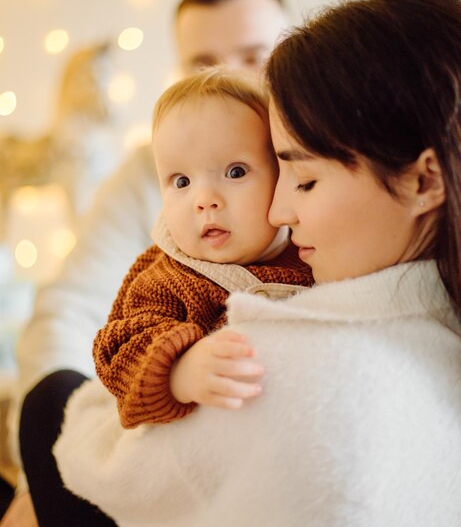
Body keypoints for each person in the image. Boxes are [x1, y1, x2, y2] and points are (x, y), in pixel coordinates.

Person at [54, 0, 461, 526]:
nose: (279, 210)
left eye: (304, 178)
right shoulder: (168, 258)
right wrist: (172, 370)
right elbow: (94, 321)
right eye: (177, 182)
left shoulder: (315, 352)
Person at [2, 0, 288, 527]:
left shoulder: (321, 158)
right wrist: (40, 476)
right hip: (166, 420)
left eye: (254, 56)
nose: (228, 77)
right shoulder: (148, 174)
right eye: (203, 64)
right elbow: (75, 307)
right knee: (49, 405)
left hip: (270, 435)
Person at [93, 68, 312, 429]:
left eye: (236, 172)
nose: (205, 200)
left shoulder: (311, 247)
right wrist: (179, 372)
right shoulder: (166, 278)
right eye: (181, 181)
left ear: (281, 173)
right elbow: (119, 351)